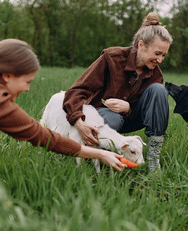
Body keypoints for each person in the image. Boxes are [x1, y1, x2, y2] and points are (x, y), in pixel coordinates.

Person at [0, 39, 125, 210]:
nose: (28, 88)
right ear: (7, 75)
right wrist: (99, 153)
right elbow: (44, 137)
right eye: (27, 81)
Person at [63, 13, 173, 172]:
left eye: (164, 55)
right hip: (104, 118)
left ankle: (153, 159)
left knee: (159, 90)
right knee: (113, 117)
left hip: (132, 118)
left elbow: (147, 110)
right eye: (157, 54)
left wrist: (128, 109)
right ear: (141, 45)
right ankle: (100, 158)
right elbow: (76, 91)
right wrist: (79, 123)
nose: (160, 60)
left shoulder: (156, 75)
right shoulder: (112, 58)